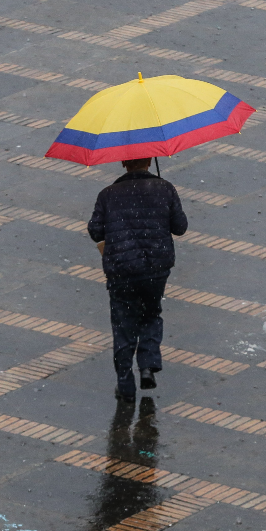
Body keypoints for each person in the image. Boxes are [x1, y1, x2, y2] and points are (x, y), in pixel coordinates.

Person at [88, 158, 187, 402]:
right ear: (150, 160)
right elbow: (180, 227)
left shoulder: (108, 194)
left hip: (122, 269)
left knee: (123, 324)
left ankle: (125, 385)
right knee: (151, 314)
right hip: (156, 267)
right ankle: (147, 366)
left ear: (124, 162)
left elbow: (95, 231)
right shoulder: (164, 188)